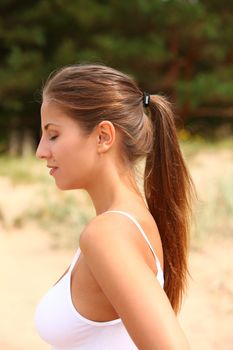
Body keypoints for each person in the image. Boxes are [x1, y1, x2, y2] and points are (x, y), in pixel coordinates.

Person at [35, 63, 196, 350]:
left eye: (54, 135)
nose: (41, 151)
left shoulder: (108, 234)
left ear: (103, 137)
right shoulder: (128, 223)